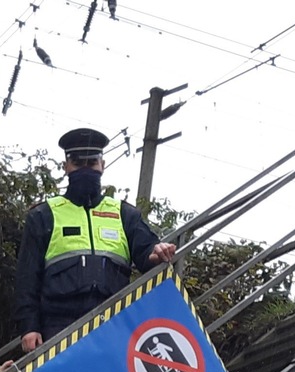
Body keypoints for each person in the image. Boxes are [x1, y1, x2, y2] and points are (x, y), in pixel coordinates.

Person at [14, 127, 178, 352]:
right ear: (66, 167)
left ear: (102, 165)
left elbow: (146, 251)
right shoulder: (44, 215)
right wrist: (29, 326)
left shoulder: (123, 213)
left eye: (91, 163)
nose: (85, 169)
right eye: (77, 163)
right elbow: (27, 277)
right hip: (59, 327)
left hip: (113, 323)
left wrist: (157, 252)